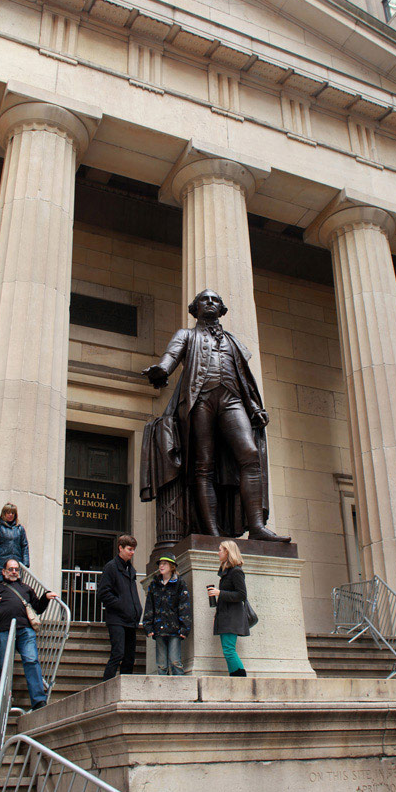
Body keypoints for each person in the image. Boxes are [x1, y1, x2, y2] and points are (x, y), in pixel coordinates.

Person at [141, 288, 290, 542]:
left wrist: (253, 406)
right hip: (200, 400)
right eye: (204, 300)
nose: (209, 303)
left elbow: (243, 378)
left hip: (231, 399)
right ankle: (211, 532)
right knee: (203, 466)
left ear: (221, 309)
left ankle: (256, 526)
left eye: (215, 300)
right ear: (195, 308)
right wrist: (161, 370)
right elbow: (172, 356)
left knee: (250, 454)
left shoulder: (232, 341)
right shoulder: (187, 335)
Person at [0, 558, 57, 711]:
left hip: (25, 630)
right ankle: (3, 699)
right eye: (11, 569)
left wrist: (45, 598)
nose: (14, 572)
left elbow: (38, 608)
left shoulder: (26, 589)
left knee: (32, 660)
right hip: (4, 630)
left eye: (16, 569)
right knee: (5, 665)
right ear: (4, 571)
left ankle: (39, 700)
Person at [97, 535, 142, 681]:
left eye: (134, 549)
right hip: (117, 619)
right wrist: (122, 605)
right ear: (120, 548)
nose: (132, 552)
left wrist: (136, 610)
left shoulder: (131, 569)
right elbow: (103, 593)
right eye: (129, 549)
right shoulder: (111, 567)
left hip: (130, 619)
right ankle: (105, 686)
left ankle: (125, 687)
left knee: (129, 657)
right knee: (118, 654)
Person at [142, 552, 191, 675]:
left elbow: (184, 606)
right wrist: (148, 626)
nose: (161, 566)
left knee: (175, 661)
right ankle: (162, 690)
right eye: (160, 564)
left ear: (171, 566)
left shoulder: (180, 583)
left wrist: (185, 628)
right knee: (161, 664)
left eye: (164, 564)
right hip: (159, 628)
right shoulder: (154, 585)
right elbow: (149, 606)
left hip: (174, 628)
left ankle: (180, 689)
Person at [208, 540, 249, 677]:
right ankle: (235, 677)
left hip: (232, 616)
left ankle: (240, 678)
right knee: (227, 650)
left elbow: (242, 595)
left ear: (227, 552)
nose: (218, 552)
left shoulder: (236, 571)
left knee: (229, 650)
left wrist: (220, 593)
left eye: (220, 550)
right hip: (226, 616)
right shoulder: (227, 572)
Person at [0, 503, 30, 584]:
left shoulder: (20, 529)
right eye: (8, 512)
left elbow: (24, 546)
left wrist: (25, 564)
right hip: (0, 564)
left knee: (15, 587)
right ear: (4, 514)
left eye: (13, 513)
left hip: (16, 564)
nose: (10, 515)